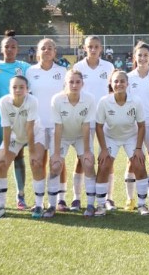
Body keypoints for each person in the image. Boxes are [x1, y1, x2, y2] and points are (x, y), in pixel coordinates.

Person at [0, 75, 46, 219]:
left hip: (35, 133)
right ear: (10, 89)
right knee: (1, 164)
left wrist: (32, 152)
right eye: (14, 87)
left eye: (21, 87)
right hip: (15, 135)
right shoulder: (4, 102)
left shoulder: (32, 101)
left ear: (27, 89)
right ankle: (0, 207)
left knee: (36, 163)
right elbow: (6, 128)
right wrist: (5, 153)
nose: (18, 90)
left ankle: (39, 205)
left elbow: (30, 128)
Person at [95, 70, 149, 215]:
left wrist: (138, 148)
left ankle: (142, 205)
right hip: (110, 137)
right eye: (116, 81)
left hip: (131, 137)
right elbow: (99, 127)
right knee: (104, 165)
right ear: (111, 84)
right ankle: (100, 205)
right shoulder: (104, 101)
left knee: (138, 164)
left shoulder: (136, 101)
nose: (119, 84)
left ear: (127, 84)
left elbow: (142, 125)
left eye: (122, 81)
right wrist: (104, 149)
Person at [0, 30, 31, 211]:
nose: (10, 49)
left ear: (17, 49)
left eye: (13, 47)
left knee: (19, 155)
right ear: (1, 49)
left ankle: (20, 196)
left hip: (20, 120)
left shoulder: (25, 67)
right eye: (7, 46)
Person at [45, 70, 96, 218]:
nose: (74, 85)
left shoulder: (89, 99)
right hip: (62, 137)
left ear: (82, 83)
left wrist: (86, 151)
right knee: (55, 166)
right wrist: (55, 154)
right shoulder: (57, 99)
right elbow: (58, 127)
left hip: (81, 136)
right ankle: (51, 206)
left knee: (88, 163)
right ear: (65, 84)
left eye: (77, 82)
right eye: (71, 82)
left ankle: (91, 205)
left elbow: (86, 126)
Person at [26, 38, 67, 214]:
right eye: (43, 48)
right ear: (38, 52)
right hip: (38, 125)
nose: (47, 50)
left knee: (58, 162)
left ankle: (61, 199)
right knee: (37, 162)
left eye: (50, 48)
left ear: (55, 52)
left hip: (58, 124)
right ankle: (39, 201)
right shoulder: (30, 72)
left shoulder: (63, 71)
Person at [73, 36, 114, 211]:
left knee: (107, 159)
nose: (93, 49)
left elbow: (113, 91)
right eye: (90, 46)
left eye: (96, 46)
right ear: (84, 48)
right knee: (82, 158)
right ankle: (76, 197)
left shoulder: (109, 67)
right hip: (85, 118)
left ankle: (108, 198)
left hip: (105, 118)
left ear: (101, 48)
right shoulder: (78, 67)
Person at [125, 42, 149, 211]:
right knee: (133, 160)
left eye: (145, 55)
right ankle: (130, 199)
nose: (142, 58)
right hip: (133, 125)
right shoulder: (128, 77)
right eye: (139, 55)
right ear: (134, 57)